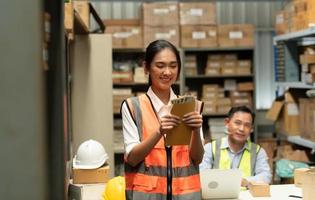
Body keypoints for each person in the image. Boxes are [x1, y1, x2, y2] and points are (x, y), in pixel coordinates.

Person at [121, 40, 204, 200]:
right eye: (160, 66)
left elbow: (197, 158)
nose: (167, 72)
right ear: (146, 68)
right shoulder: (132, 107)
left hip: (186, 196)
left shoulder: (191, 106)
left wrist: (196, 129)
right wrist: (159, 132)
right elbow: (132, 158)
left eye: (173, 66)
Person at [199, 106, 272, 188]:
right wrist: (232, 181)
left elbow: (266, 176)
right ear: (227, 123)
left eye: (247, 125)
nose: (241, 128)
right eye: (237, 123)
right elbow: (202, 175)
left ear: (251, 129)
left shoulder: (258, 151)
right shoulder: (210, 148)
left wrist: (246, 181)